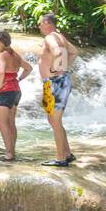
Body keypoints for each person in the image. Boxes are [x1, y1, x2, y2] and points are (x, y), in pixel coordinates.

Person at [38, 13, 79, 167]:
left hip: (56, 82)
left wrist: (56, 68)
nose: (39, 26)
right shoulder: (59, 36)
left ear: (47, 22)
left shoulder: (50, 38)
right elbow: (74, 52)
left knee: (54, 120)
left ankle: (60, 158)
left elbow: (57, 51)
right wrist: (64, 66)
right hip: (53, 82)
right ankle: (67, 153)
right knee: (53, 120)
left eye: (40, 23)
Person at [0, 30, 32, 162]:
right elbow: (29, 68)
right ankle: (12, 150)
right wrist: (19, 79)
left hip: (5, 92)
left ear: (1, 42)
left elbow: (1, 70)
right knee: (10, 123)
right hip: (16, 92)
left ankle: (9, 154)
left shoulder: (3, 55)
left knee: (1, 123)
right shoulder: (15, 55)